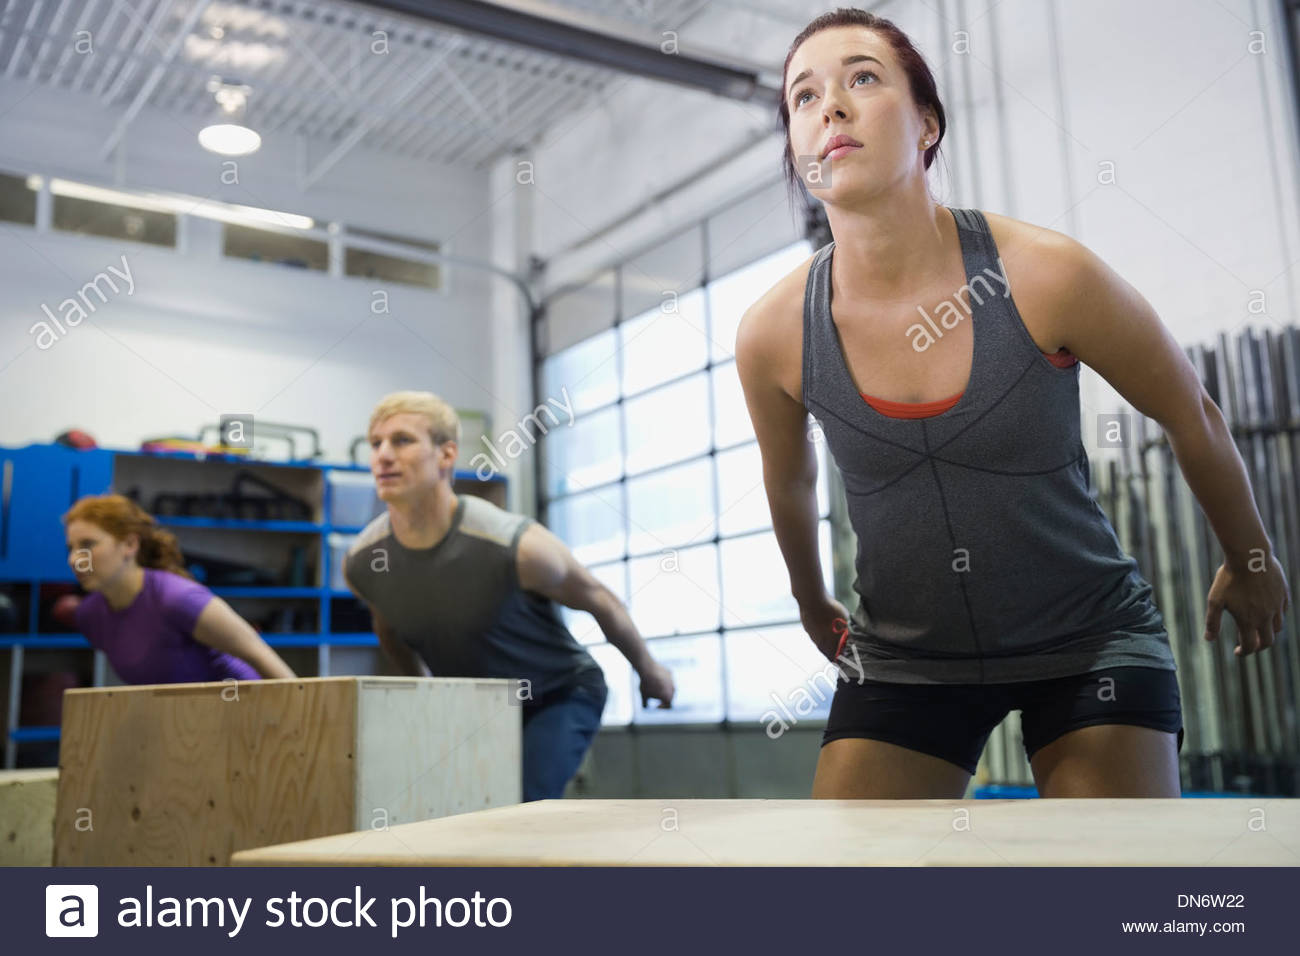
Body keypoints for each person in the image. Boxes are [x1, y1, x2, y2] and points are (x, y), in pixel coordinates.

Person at [735, 9, 1290, 799]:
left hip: (1089, 641)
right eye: (804, 96)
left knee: (1112, 901)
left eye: (862, 78)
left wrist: (1251, 558)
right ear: (796, 147)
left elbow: (1189, 410)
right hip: (905, 658)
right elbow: (790, 482)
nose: (832, 106)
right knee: (843, 901)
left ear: (927, 124)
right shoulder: (771, 334)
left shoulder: (1043, 273)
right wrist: (806, 596)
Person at [344, 391, 675, 801]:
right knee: (456, 807)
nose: (383, 455)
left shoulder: (514, 545)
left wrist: (650, 670)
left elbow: (600, 599)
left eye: (402, 440)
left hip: (557, 693)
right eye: (375, 444)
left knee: (520, 805)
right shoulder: (364, 561)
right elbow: (389, 628)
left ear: (446, 455)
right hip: (475, 707)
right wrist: (427, 697)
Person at [63, 494, 296, 684]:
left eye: (88, 545)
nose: (74, 559)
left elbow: (267, 661)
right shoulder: (90, 616)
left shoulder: (178, 598)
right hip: (183, 728)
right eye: (71, 548)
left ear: (130, 545)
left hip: (244, 719)